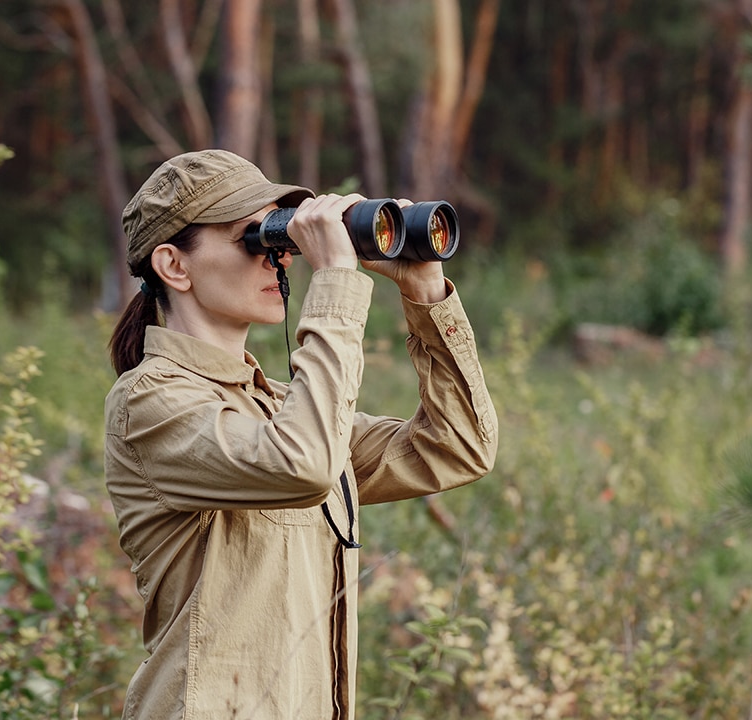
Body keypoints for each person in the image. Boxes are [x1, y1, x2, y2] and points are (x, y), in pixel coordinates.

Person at [103, 149, 498, 720]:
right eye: (256, 238)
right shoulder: (149, 404)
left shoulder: (282, 407)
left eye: (281, 237)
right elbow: (305, 465)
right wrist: (336, 281)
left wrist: (424, 292)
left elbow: (457, 448)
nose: (280, 257)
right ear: (174, 265)